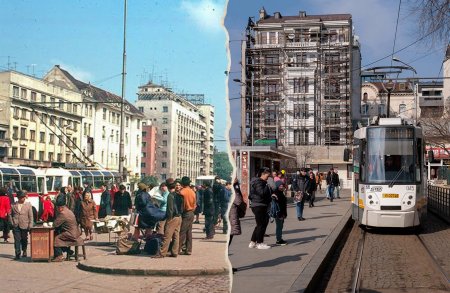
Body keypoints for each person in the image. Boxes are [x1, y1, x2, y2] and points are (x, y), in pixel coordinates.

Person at [52, 194, 82, 262]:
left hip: (71, 233)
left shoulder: (63, 213)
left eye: (57, 207)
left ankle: (59, 256)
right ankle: (68, 251)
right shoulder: (68, 210)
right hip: (75, 232)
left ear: (60, 207)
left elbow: (55, 224)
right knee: (58, 236)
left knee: (56, 238)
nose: (57, 209)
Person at [157, 181, 183, 258]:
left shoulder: (170, 196)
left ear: (168, 187)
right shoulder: (179, 195)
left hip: (173, 217)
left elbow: (170, 209)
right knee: (176, 235)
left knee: (167, 235)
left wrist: (169, 219)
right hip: (179, 217)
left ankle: (162, 253)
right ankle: (175, 252)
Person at [248, 167, 272, 249]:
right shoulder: (259, 182)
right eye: (267, 176)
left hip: (259, 204)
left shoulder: (258, 182)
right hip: (259, 205)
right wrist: (267, 185)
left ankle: (253, 242)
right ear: (263, 174)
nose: (268, 178)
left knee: (259, 224)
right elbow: (261, 193)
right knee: (262, 224)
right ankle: (260, 243)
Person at [9, 190, 33, 260]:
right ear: (18, 198)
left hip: (25, 224)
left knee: (24, 239)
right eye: (20, 197)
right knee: (17, 240)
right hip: (16, 225)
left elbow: (31, 216)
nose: (22, 199)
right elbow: (9, 214)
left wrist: (30, 225)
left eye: (23, 197)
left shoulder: (28, 205)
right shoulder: (13, 205)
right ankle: (17, 254)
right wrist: (12, 222)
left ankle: (24, 250)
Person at [229, 179, 245, 273]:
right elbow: (239, 201)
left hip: (228, 219)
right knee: (227, 245)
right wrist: (236, 188)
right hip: (230, 220)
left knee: (227, 246)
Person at [179, 176, 196, 255]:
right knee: (189, 232)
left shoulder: (182, 192)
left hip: (185, 213)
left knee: (182, 232)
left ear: (182, 183)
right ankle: (188, 250)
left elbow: (181, 205)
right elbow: (195, 204)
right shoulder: (192, 192)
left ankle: (177, 249)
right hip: (191, 212)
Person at [273, 180, 287, 245]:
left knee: (280, 226)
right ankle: (278, 240)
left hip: (282, 213)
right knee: (279, 226)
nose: (282, 186)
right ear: (277, 186)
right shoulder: (276, 193)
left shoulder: (281, 192)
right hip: (279, 213)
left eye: (282, 185)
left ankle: (280, 238)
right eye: (280, 185)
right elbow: (277, 205)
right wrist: (280, 214)